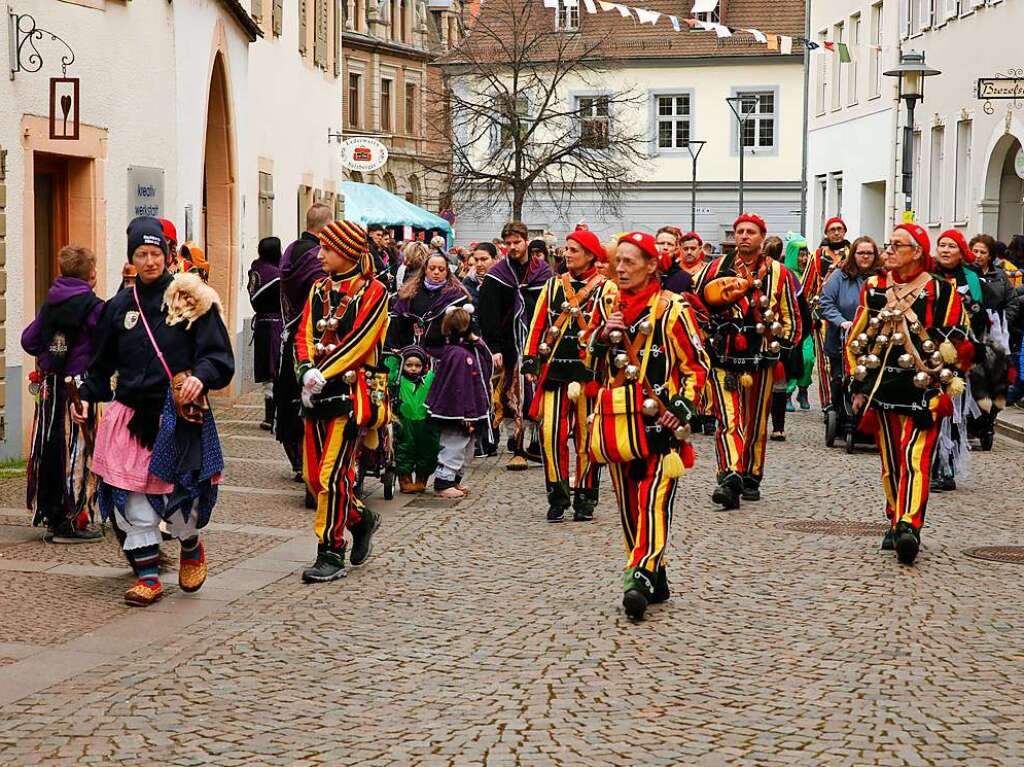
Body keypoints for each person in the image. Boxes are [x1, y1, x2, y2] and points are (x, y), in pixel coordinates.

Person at [74, 216, 235, 605]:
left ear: (167, 254)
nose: (150, 261)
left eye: (156, 253)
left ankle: (190, 544)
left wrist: (201, 375)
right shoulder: (119, 307)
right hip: (129, 415)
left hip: (176, 414)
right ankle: (147, 575)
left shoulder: (190, 298)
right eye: (141, 254)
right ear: (132, 258)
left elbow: (219, 355)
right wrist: (86, 395)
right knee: (132, 499)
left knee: (182, 494)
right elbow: (101, 364)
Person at [586, 231, 709, 621]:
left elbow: (696, 367)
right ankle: (654, 573)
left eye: (629, 262)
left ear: (652, 265)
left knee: (653, 500)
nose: (620, 269)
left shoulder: (673, 309)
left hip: (660, 425)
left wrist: (683, 409)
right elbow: (586, 357)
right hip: (617, 420)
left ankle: (637, 574)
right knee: (628, 508)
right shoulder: (605, 303)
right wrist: (603, 338)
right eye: (616, 261)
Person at [847, 224, 969, 565]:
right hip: (884, 387)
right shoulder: (874, 288)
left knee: (916, 457)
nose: (888, 250)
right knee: (891, 463)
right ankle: (894, 516)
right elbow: (859, 338)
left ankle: (909, 526)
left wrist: (947, 382)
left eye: (896, 245)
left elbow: (958, 341)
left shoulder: (943, 292)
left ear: (916, 252)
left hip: (923, 388)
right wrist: (858, 385)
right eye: (888, 244)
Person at [294, 220, 388, 583]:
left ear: (346, 251)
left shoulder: (374, 291)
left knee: (334, 476)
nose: (319, 255)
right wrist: (305, 369)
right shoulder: (319, 288)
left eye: (326, 249)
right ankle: (361, 518)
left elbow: (362, 340)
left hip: (352, 395)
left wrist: (325, 370)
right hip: (316, 394)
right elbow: (303, 332)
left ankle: (331, 551)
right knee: (315, 478)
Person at [697, 214, 800, 509]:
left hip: (761, 356)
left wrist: (780, 348)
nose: (743, 236)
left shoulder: (779, 273)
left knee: (755, 421)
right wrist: (709, 334)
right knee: (729, 418)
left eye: (750, 232)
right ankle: (729, 476)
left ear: (762, 236)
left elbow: (791, 316)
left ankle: (752, 476)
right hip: (724, 353)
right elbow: (698, 303)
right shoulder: (716, 268)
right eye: (739, 231)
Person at [521, 229, 615, 523]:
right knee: (551, 435)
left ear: (590, 254)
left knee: (588, 438)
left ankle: (586, 498)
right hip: (555, 370)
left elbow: (611, 331)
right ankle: (558, 495)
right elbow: (537, 323)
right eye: (567, 248)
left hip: (589, 373)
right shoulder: (552, 286)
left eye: (574, 249)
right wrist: (531, 358)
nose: (567, 253)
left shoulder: (606, 289)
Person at [21, 245, 105, 543]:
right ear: (91, 274)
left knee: (50, 447)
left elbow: (29, 340)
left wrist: (53, 350)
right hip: (78, 389)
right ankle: (71, 518)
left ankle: (51, 513)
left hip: (50, 387)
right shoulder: (93, 306)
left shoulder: (51, 304)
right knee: (78, 451)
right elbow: (106, 342)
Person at [478, 221, 553, 470]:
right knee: (512, 394)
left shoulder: (543, 273)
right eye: (508, 243)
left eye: (517, 242)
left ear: (526, 242)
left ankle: (534, 442)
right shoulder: (497, 275)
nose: (513, 247)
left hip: (537, 343)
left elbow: (550, 309)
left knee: (535, 392)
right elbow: (487, 313)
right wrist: (494, 347)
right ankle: (517, 444)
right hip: (508, 344)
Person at [276, 203, 332, 481]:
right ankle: (311, 457)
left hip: (289, 329)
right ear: (326, 226)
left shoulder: (290, 250)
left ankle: (296, 458)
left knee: (288, 394)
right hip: (313, 332)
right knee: (312, 393)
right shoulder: (318, 256)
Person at [425, 305, 494, 498]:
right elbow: (458, 387)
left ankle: (455, 479)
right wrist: (467, 412)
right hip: (458, 411)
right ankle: (444, 481)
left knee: (468, 446)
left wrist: (477, 341)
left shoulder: (468, 350)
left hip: (470, 409)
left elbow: (487, 361)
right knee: (454, 443)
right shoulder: (458, 354)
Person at [819, 236, 882, 432]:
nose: (865, 257)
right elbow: (826, 303)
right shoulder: (840, 276)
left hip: (873, 340)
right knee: (840, 377)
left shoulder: (881, 278)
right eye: (861, 253)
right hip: (842, 338)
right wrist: (842, 322)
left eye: (869, 253)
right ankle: (839, 413)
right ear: (853, 254)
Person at [802, 217, 851, 414]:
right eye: (832, 229)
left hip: (848, 313)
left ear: (845, 231)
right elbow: (807, 286)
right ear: (826, 233)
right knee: (825, 362)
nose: (836, 233)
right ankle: (828, 402)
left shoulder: (852, 254)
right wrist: (807, 312)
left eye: (839, 229)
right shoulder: (817, 256)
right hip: (823, 315)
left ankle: (846, 398)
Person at [387, 252, 471, 357]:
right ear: (425, 270)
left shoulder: (456, 296)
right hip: (409, 355)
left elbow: (462, 329)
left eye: (441, 269)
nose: (436, 272)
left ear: (447, 272)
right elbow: (397, 323)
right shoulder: (409, 292)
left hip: (442, 354)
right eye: (432, 268)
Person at [247, 236, 284, 431]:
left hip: (262, 325)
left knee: (269, 373)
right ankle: (273, 417)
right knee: (275, 371)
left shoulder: (256, 271)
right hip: (276, 326)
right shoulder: (277, 274)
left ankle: (270, 416)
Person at [393, 346, 439, 493]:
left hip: (425, 421)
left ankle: (421, 480)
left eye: (417, 365)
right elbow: (389, 368)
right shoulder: (398, 380)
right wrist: (396, 357)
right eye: (409, 365)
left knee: (428, 449)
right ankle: (405, 480)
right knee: (404, 448)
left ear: (424, 366)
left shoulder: (429, 379)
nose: (413, 369)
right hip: (404, 420)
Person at [782, 235, 814, 412]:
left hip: (808, 324)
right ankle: (787, 393)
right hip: (792, 325)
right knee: (791, 358)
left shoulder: (810, 273)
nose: (803, 259)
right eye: (800, 255)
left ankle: (803, 390)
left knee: (808, 359)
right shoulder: (786, 274)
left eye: (805, 255)